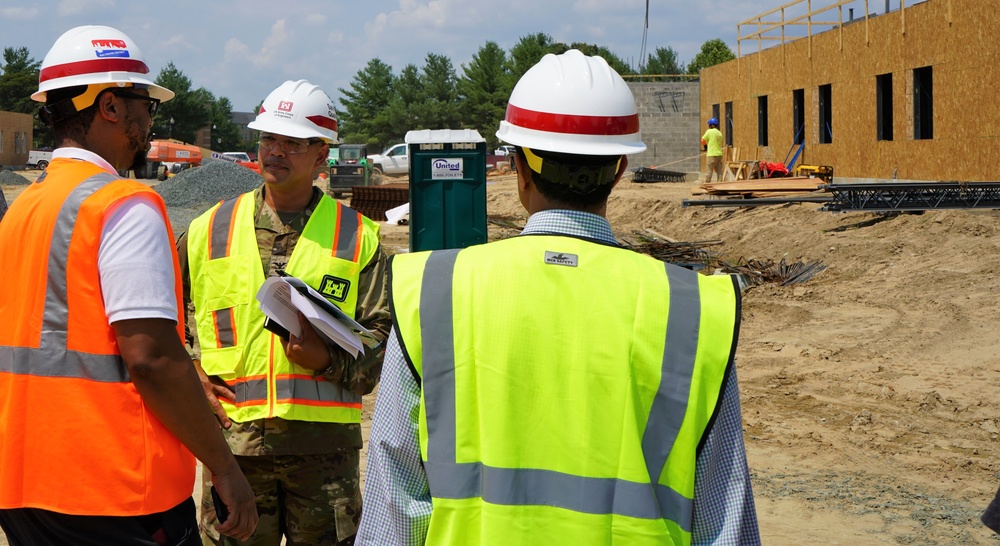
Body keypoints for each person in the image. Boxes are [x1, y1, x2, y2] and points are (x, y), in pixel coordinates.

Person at [357, 49, 761, 546]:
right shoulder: (693, 309)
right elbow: (724, 520)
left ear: (519, 170)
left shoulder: (436, 291)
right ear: (617, 170)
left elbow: (394, 504)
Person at [0, 25, 257, 545]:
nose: (149, 123)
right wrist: (225, 468)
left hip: (24, 483)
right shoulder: (122, 204)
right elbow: (150, 358)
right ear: (111, 106)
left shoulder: (24, 207)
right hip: (113, 491)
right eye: (147, 107)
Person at [178, 79, 390, 546]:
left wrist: (326, 359)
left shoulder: (358, 236)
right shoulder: (206, 229)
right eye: (267, 138)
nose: (274, 151)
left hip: (324, 459)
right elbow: (165, 323)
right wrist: (189, 370)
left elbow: (380, 347)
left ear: (321, 155)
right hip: (233, 450)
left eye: (291, 142)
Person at [701, 117, 725, 182]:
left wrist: (705, 147)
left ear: (711, 125)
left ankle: (707, 184)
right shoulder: (719, 133)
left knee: (709, 170)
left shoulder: (709, 131)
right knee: (719, 171)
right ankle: (720, 184)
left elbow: (702, 140)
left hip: (711, 154)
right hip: (719, 154)